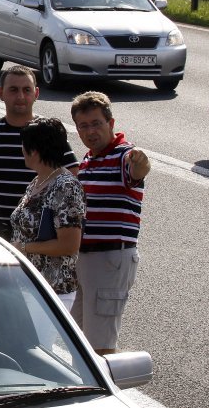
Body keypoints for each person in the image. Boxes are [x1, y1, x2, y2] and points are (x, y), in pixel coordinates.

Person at [0, 66, 79, 238]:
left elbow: (73, 179)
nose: (20, 96)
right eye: (13, 90)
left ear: (36, 93)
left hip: (37, 236)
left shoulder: (51, 135)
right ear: (0, 93)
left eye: (26, 90)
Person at [70, 91, 150, 355]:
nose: (91, 131)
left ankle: (107, 394)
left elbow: (137, 170)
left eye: (96, 124)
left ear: (111, 124)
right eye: (84, 126)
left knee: (101, 348)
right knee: (78, 343)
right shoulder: (89, 159)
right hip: (85, 261)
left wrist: (141, 163)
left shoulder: (122, 156)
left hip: (109, 260)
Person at [10, 117, 86, 311]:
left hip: (52, 290)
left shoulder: (66, 186)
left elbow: (69, 245)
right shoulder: (38, 182)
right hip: (29, 284)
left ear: (33, 151)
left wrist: (23, 247)